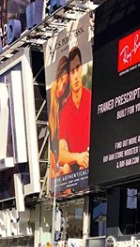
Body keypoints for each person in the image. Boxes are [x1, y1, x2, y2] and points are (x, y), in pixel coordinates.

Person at [58, 46, 91, 174]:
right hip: (74, 168)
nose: (76, 76)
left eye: (77, 69)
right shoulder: (65, 111)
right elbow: (61, 154)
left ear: (81, 68)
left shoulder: (91, 99)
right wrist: (77, 157)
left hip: (92, 165)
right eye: (72, 72)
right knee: (65, 168)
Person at [48, 56, 71, 179]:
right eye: (61, 80)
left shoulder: (64, 105)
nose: (61, 88)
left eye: (65, 85)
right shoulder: (47, 98)